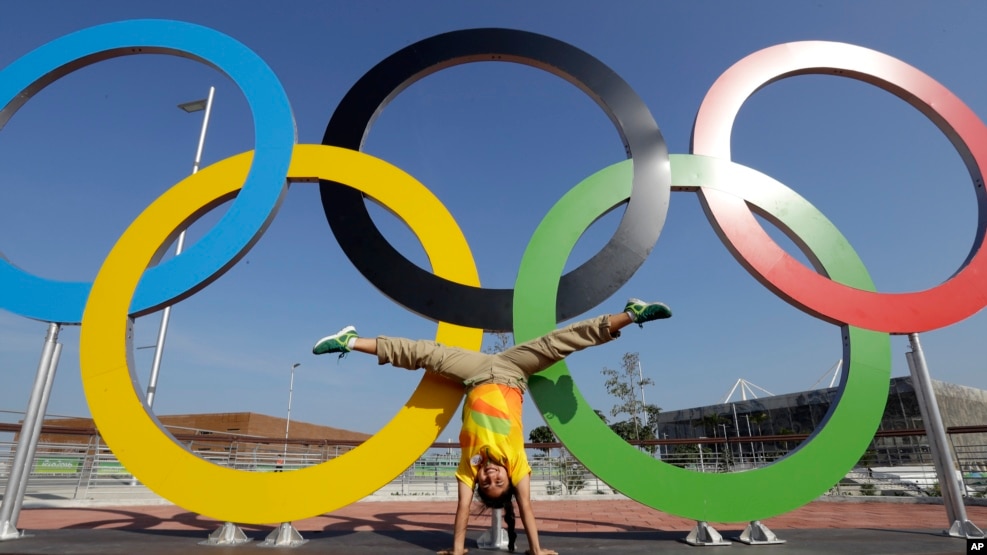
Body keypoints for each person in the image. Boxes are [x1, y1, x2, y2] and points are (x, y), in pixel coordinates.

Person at [312, 298, 672, 555]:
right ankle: (631, 313)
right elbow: (527, 508)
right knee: (559, 343)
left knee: (424, 353)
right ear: (509, 482)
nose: (491, 478)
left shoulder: (470, 468)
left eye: (488, 483)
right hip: (515, 372)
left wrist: (456, 551)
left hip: (474, 373)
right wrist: (537, 549)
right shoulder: (516, 465)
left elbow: (463, 511)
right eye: (498, 483)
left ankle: (351, 341)